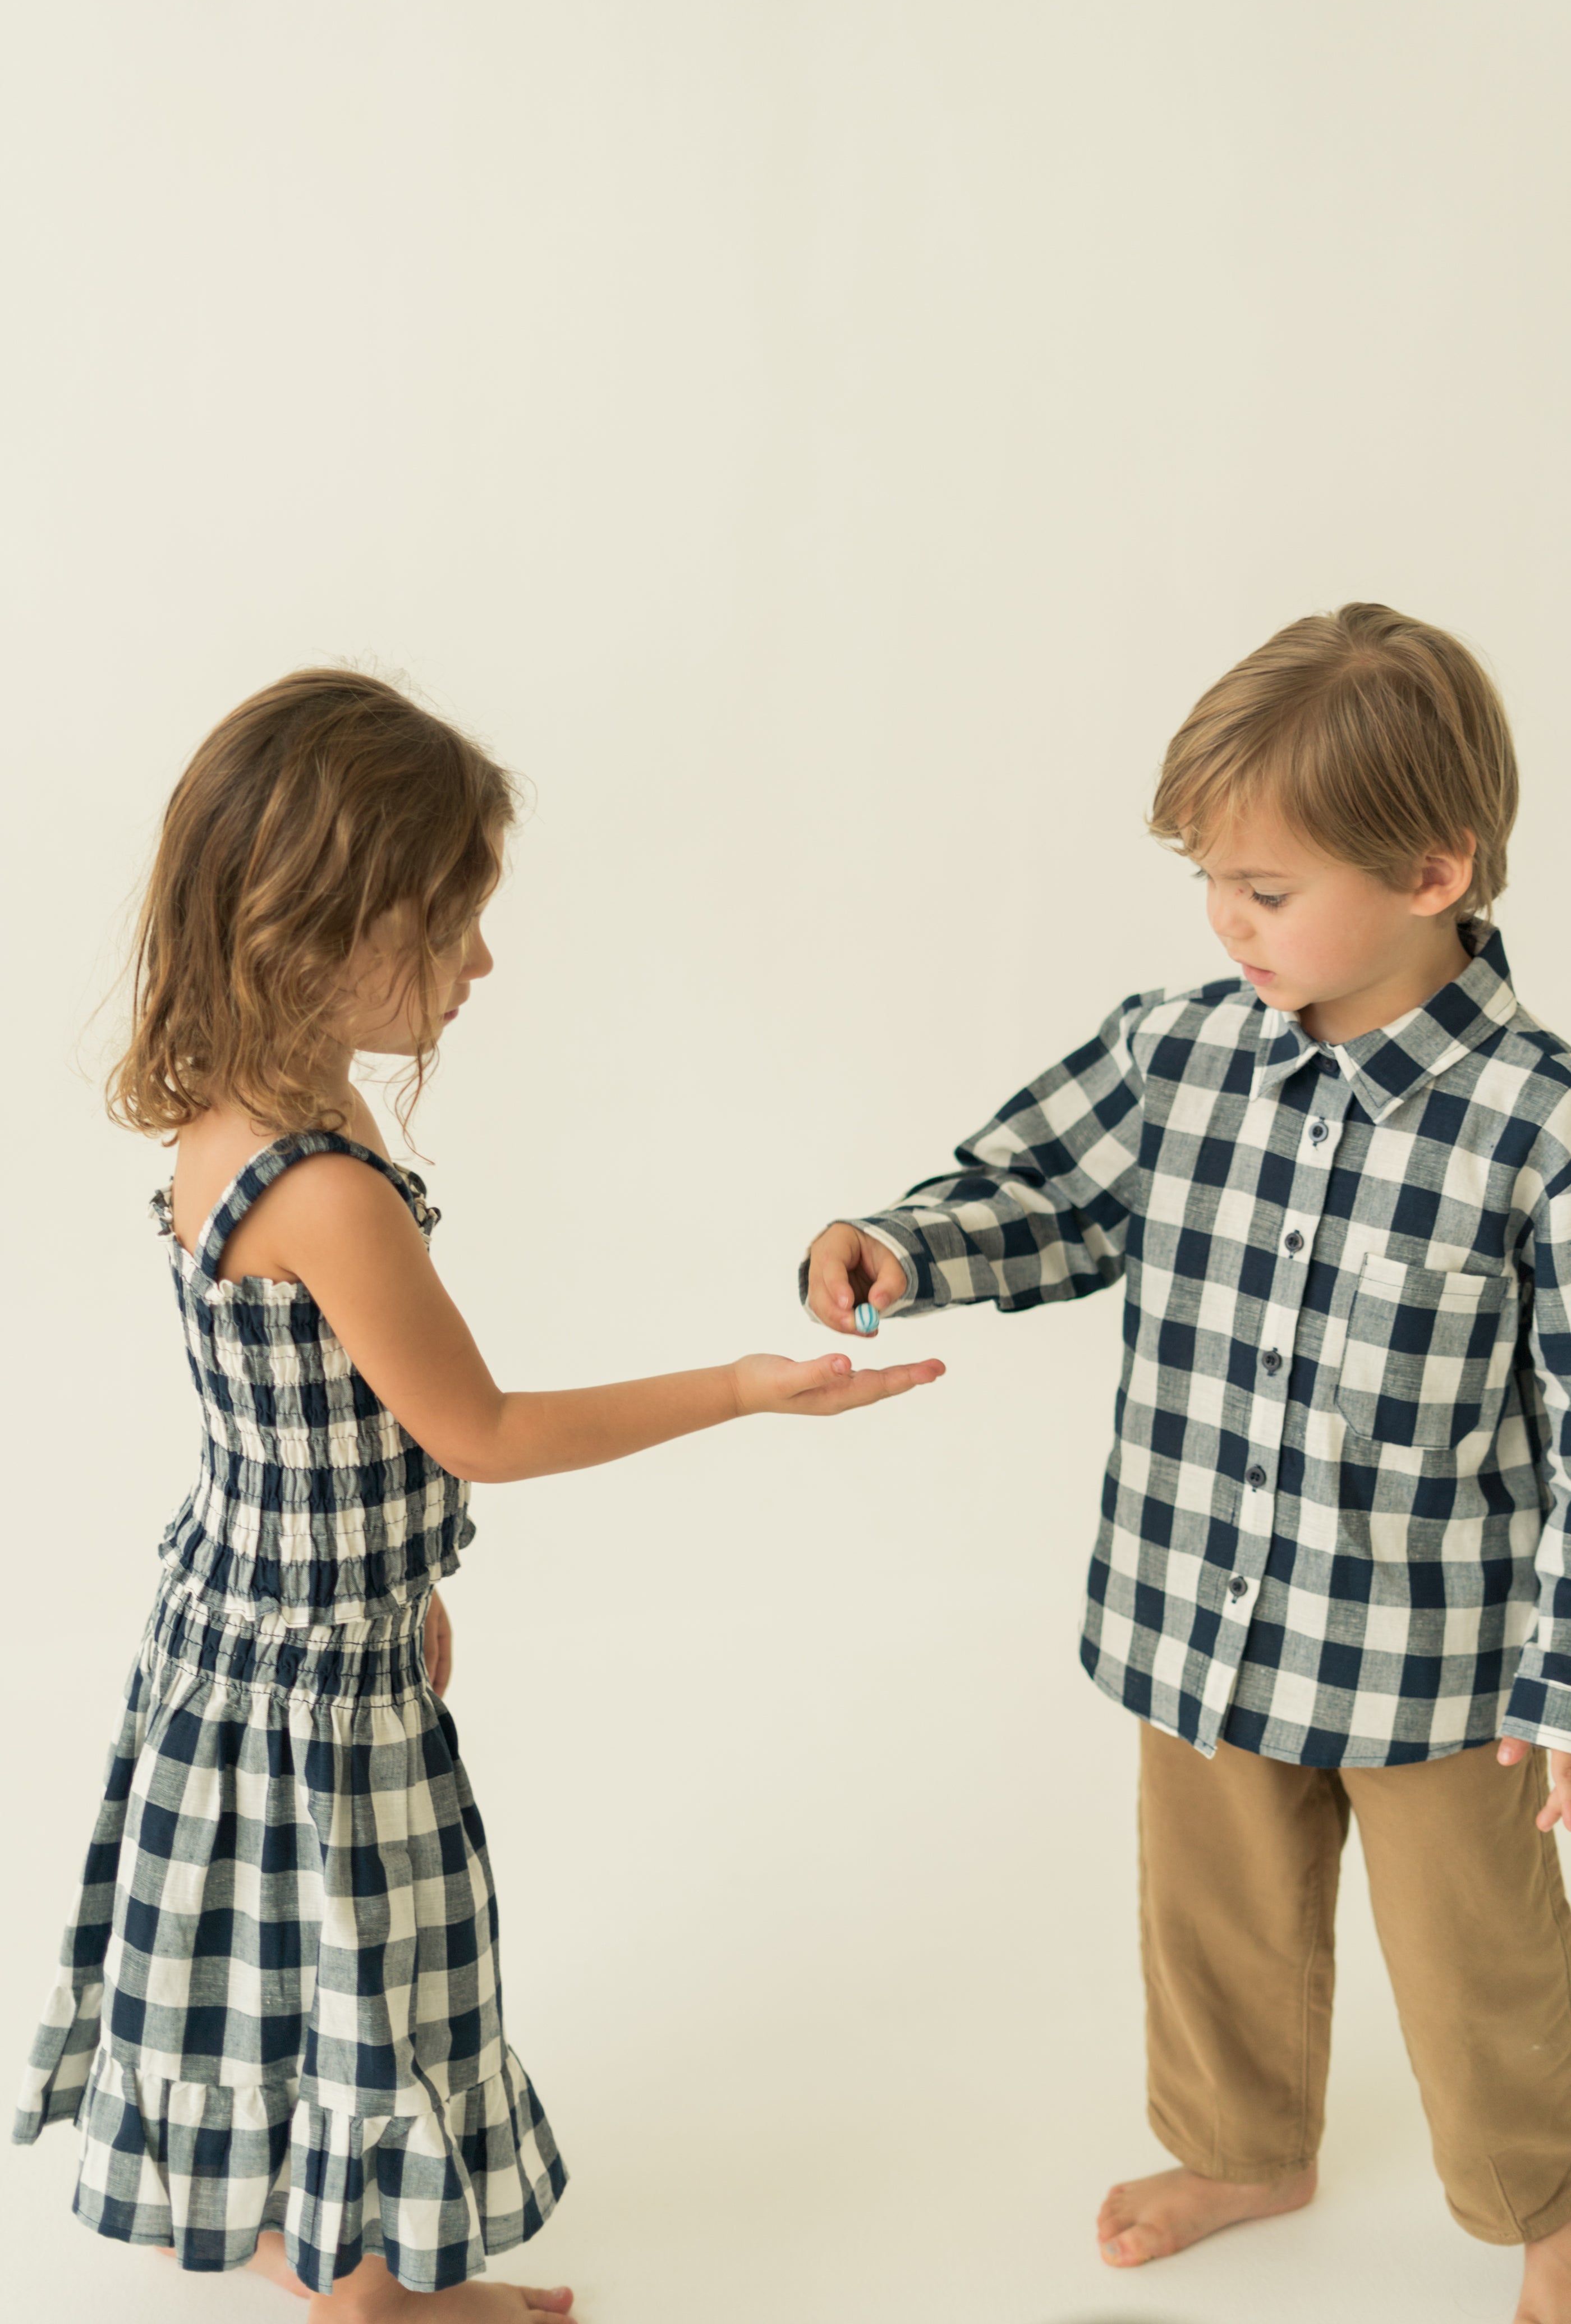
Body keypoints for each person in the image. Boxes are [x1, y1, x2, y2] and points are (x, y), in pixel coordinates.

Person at [14, 669, 945, 2323]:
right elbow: (482, 1429)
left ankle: (327, 2249)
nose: (482, 963)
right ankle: (376, 2299)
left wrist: (406, 1584)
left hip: (259, 1617)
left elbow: (320, 1432)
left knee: (291, 1962)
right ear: (318, 927)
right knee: (369, 1964)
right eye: (449, 925)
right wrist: (743, 1389)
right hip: (300, 1669)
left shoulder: (268, 1111)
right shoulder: (320, 1185)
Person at [803, 603, 1571, 2324]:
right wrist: (900, 1242)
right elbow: (1042, 1191)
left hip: (1437, 1664)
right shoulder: (1177, 1049)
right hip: (1198, 1606)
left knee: (1484, 1967)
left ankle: (1551, 2200)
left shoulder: (1540, 1128)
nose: (1229, 920)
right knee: (1215, 1912)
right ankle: (1244, 2143)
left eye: (1270, 889)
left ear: (1437, 870)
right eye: (1211, 880)